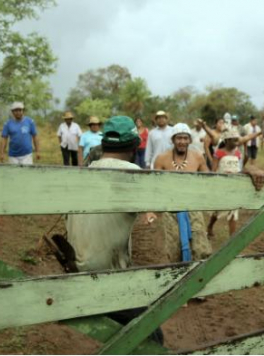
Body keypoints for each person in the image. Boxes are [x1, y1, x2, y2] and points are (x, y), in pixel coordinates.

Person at [63, 115, 163, 344]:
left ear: (103, 144)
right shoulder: (132, 173)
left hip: (74, 273)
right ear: (134, 145)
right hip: (107, 279)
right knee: (153, 338)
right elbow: (178, 203)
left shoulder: (82, 173)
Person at [154, 123, 212, 263]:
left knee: (201, 248)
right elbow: (155, 185)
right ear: (173, 140)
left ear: (190, 140)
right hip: (171, 209)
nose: (182, 142)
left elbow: (208, 179)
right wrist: (152, 210)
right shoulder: (162, 158)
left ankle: (198, 279)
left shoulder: (197, 157)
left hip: (193, 207)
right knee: (174, 250)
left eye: (185, 138)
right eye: (179, 138)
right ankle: (179, 280)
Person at [206, 127, 263, 237]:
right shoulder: (219, 153)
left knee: (233, 210)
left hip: (234, 186)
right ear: (227, 141)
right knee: (218, 210)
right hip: (222, 185)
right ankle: (210, 226)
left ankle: (232, 238)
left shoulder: (237, 153)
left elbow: (240, 167)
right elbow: (213, 171)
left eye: (237, 139)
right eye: (234, 140)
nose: (237, 142)